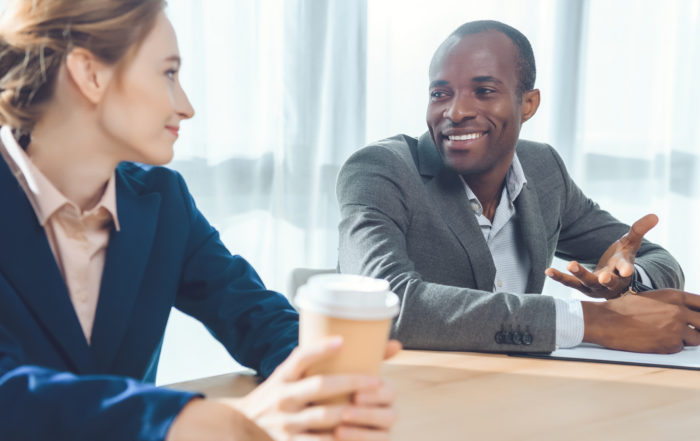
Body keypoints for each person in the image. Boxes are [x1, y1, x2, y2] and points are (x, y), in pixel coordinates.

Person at [0, 1, 397, 440]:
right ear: (90, 74)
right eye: (169, 73)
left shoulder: (162, 201)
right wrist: (195, 421)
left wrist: (323, 368)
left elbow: (253, 314)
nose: (186, 107)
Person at [337, 20, 700, 355]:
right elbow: (380, 306)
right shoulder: (380, 170)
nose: (456, 111)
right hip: (407, 397)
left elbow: (656, 259)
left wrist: (624, 280)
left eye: (483, 90)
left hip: (518, 388)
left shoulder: (544, 171)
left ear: (528, 103)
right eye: (440, 94)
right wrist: (590, 321)